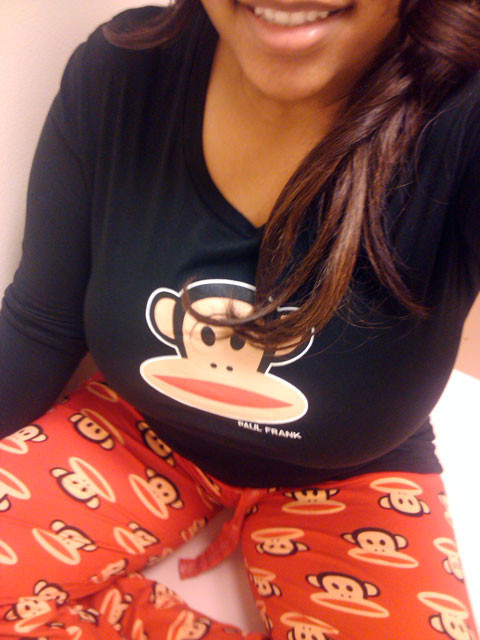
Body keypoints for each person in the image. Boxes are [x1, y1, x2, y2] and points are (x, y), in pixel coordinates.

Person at [0, 0, 479, 638]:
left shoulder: (462, 118)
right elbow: (40, 324)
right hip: (136, 428)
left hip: (355, 477)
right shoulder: (121, 69)